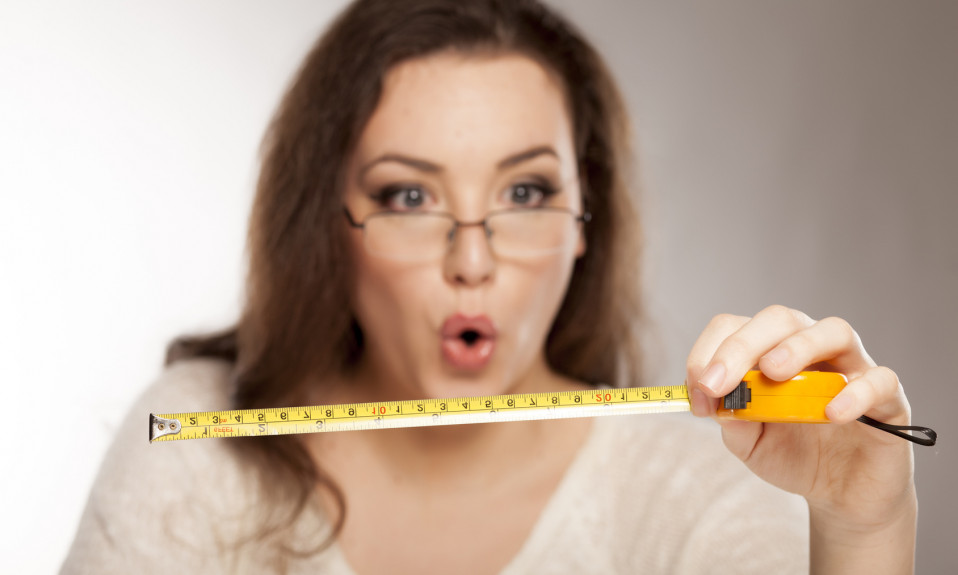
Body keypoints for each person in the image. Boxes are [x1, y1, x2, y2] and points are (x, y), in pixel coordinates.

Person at [61, 0, 919, 573]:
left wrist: (864, 530)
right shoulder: (193, 449)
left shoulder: (708, 480)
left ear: (589, 220)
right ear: (326, 220)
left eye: (524, 193)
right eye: (408, 195)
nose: (471, 259)